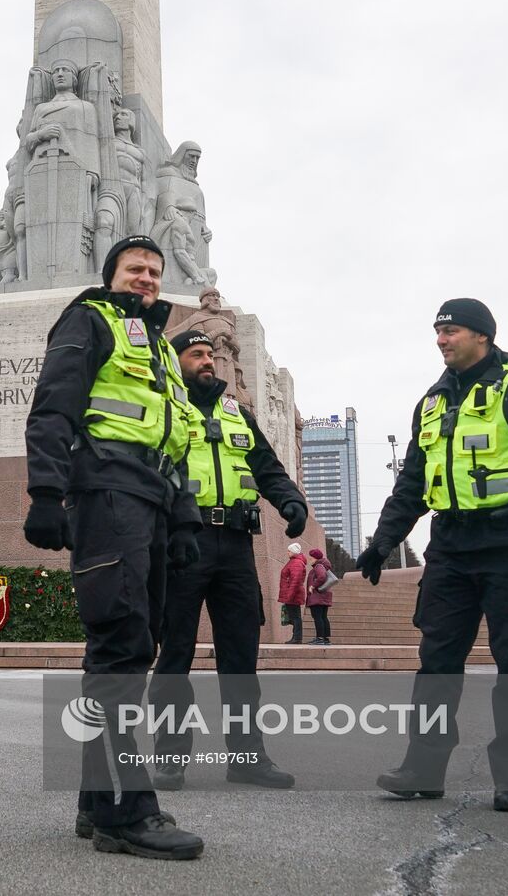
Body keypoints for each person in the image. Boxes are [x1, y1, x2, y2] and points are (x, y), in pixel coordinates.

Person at [23, 233, 204, 860]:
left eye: (154, 271)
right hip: (106, 496)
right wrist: (46, 493)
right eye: (135, 269)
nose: (147, 278)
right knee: (122, 646)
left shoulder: (157, 345)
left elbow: (175, 435)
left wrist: (182, 522)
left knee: (130, 647)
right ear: (112, 275)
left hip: (150, 501)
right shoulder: (89, 319)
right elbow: (54, 408)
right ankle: (127, 813)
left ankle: (97, 799)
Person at [355, 299, 508, 812]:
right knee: (436, 663)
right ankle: (423, 768)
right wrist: (382, 540)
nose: (442, 339)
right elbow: (413, 480)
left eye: (452, 330)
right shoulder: (433, 401)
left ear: (482, 335)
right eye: (438, 331)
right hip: (451, 550)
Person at [148, 329, 308, 791]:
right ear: (176, 361)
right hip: (183, 544)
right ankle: (171, 758)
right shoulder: (163, 408)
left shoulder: (237, 412)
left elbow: (268, 467)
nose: (207, 361)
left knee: (241, 658)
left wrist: (290, 502)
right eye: (196, 354)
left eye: (209, 355)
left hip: (236, 546)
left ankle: (246, 757)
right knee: (174, 655)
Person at [278, 543, 308, 644]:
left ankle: (297, 638)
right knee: (295, 616)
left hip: (293, 594)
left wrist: (289, 596)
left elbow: (295, 580)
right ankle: (296, 637)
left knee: (295, 617)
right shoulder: (295, 562)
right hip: (293, 593)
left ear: (294, 551)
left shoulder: (296, 563)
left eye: (289, 551)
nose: (287, 552)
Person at [305, 548, 334, 645]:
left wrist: (313, 586)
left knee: (318, 617)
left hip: (317, 596)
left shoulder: (318, 566)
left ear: (316, 558)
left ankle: (320, 638)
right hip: (323, 596)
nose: (310, 559)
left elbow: (321, 577)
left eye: (311, 557)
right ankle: (325, 638)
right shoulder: (323, 566)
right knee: (323, 617)